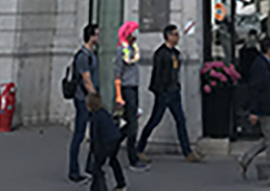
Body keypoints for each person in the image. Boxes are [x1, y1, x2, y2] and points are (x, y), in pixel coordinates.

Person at [136, 24, 203, 162]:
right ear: (169, 36)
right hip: (164, 93)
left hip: (174, 92)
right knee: (154, 121)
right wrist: (160, 91)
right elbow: (157, 74)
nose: (177, 38)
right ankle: (139, 148)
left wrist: (176, 87)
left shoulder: (176, 54)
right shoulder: (161, 54)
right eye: (175, 34)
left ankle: (187, 152)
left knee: (180, 121)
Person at [238, 37, 270, 188]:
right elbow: (255, 89)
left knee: (268, 139)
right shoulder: (260, 66)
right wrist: (254, 111)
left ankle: (245, 158)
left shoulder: (267, 64)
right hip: (266, 108)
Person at [114, 20, 149, 171]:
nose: (136, 34)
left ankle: (111, 146)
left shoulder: (133, 49)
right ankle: (132, 158)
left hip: (133, 88)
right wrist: (119, 96)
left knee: (129, 124)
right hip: (126, 89)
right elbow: (117, 74)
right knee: (132, 125)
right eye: (133, 31)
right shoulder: (122, 50)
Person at [69, 23, 101, 183]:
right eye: (97, 34)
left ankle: (91, 165)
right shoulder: (83, 56)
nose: (98, 37)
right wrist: (95, 97)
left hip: (88, 99)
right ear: (91, 36)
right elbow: (86, 79)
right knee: (79, 135)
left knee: (95, 133)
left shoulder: (91, 54)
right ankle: (73, 172)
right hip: (84, 100)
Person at [87, 92, 126, 191]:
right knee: (113, 160)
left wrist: (93, 151)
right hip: (115, 139)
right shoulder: (105, 112)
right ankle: (121, 184)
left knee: (97, 167)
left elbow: (94, 136)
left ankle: (100, 188)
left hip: (105, 143)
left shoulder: (95, 118)